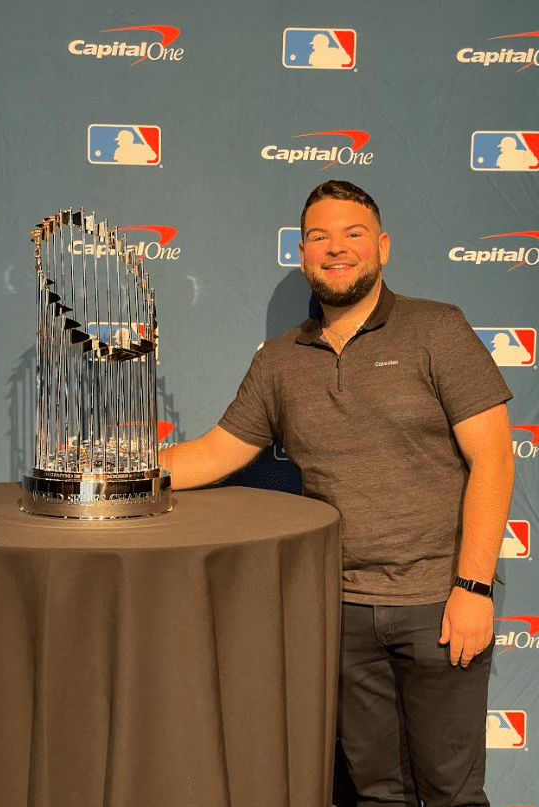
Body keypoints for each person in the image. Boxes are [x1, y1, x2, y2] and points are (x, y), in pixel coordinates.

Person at [160, 180, 515, 807]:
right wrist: (115, 468)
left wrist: (474, 587)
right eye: (319, 237)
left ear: (381, 247)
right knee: (375, 794)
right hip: (342, 613)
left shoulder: (438, 328)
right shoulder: (277, 361)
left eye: (353, 234)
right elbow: (215, 454)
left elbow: (492, 458)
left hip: (439, 603)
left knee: (452, 794)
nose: (336, 248)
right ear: (301, 254)